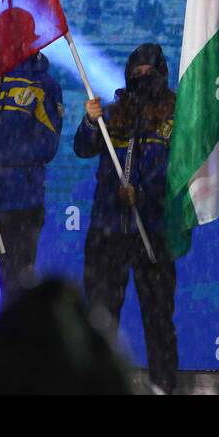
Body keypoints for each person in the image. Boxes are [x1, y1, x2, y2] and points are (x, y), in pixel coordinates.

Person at [74, 43, 178, 392]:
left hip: (153, 230)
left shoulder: (176, 117)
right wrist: (90, 121)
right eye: (136, 74)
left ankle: (163, 387)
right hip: (108, 231)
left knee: (159, 319)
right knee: (101, 319)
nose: (142, 79)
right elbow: (83, 147)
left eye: (149, 73)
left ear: (162, 75)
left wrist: (145, 194)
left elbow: (178, 171)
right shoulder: (115, 112)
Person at [0, 50, 63, 337]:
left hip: (21, 205)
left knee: (15, 292)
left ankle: (11, 372)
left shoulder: (44, 85)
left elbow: (47, 144)